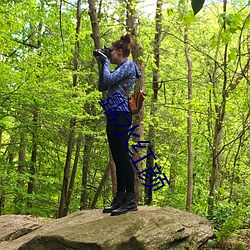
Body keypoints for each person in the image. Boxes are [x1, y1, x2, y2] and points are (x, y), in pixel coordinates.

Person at [96, 34, 142, 216]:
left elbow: (107, 81)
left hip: (121, 115)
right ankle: (121, 197)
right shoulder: (119, 69)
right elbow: (102, 85)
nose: (109, 54)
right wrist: (103, 64)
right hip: (113, 114)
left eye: (111, 51)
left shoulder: (129, 65)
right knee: (117, 156)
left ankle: (130, 199)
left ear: (120, 52)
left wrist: (105, 62)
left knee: (122, 156)